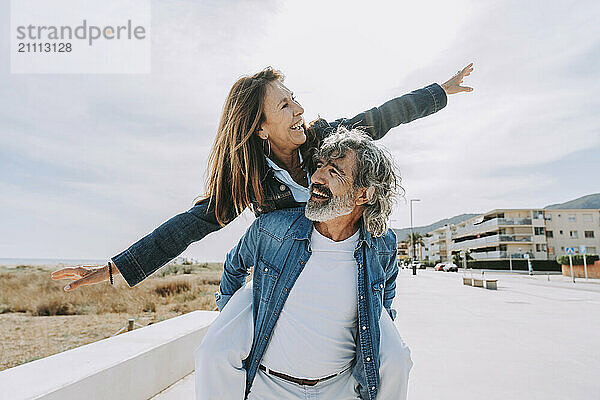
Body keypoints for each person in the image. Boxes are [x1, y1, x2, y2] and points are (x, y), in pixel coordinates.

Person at [51, 63, 474, 292]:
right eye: (286, 106)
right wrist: (116, 268)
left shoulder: (324, 138)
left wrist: (441, 91)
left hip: (346, 255)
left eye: (295, 100)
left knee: (379, 236)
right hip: (294, 268)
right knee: (275, 224)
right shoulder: (252, 180)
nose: (300, 111)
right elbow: (190, 226)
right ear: (261, 126)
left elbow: (381, 118)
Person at [196, 129, 408, 400]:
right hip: (268, 388)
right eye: (319, 165)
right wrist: (233, 317)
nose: (317, 177)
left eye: (335, 171)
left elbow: (386, 292)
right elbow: (234, 266)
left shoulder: (382, 244)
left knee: (398, 359)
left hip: (339, 389)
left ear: (363, 194)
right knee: (210, 352)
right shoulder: (272, 229)